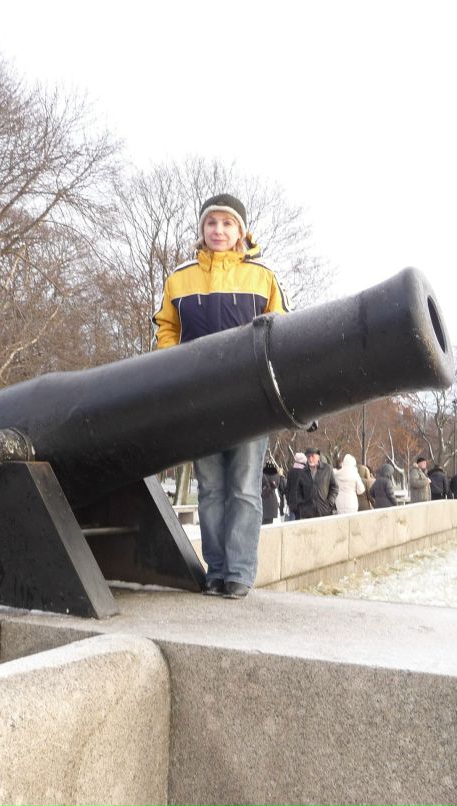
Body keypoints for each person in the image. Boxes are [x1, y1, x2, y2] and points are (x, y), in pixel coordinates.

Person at [152, 193, 289, 600]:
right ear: (202, 229)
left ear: (241, 231)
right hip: (201, 399)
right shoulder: (180, 277)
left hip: (250, 398)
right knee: (210, 489)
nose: (219, 231)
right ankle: (216, 570)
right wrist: (170, 367)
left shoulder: (262, 276)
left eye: (227, 224)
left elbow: (281, 333)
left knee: (245, 487)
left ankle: (240, 573)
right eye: (212, 223)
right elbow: (166, 328)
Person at [301, 448, 338, 519]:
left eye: (313, 456)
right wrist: (302, 506)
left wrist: (330, 502)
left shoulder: (327, 469)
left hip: (324, 511)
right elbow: (298, 490)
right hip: (308, 513)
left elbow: (334, 487)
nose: (310, 459)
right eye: (308, 456)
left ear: (318, 457)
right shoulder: (303, 472)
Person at [285, 453, 311, 521]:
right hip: (302, 503)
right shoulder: (305, 472)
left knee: (292, 522)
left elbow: (287, 488)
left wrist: (288, 500)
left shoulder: (291, 471)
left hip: (292, 502)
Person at [261, 461, 282, 525]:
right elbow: (277, 486)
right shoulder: (277, 475)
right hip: (272, 502)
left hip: (263, 501)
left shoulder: (262, 475)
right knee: (269, 524)